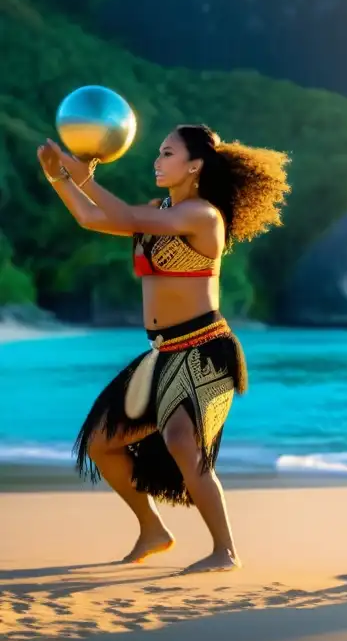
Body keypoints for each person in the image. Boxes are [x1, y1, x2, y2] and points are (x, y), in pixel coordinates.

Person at [37, 125, 289, 573]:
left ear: (194, 164)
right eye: (158, 152)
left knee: (182, 442)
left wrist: (85, 178)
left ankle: (224, 551)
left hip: (204, 348)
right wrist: (59, 177)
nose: (157, 160)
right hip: (161, 352)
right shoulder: (160, 210)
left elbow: (126, 217)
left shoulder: (204, 216)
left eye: (167, 152)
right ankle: (153, 530)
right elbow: (94, 218)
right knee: (101, 444)